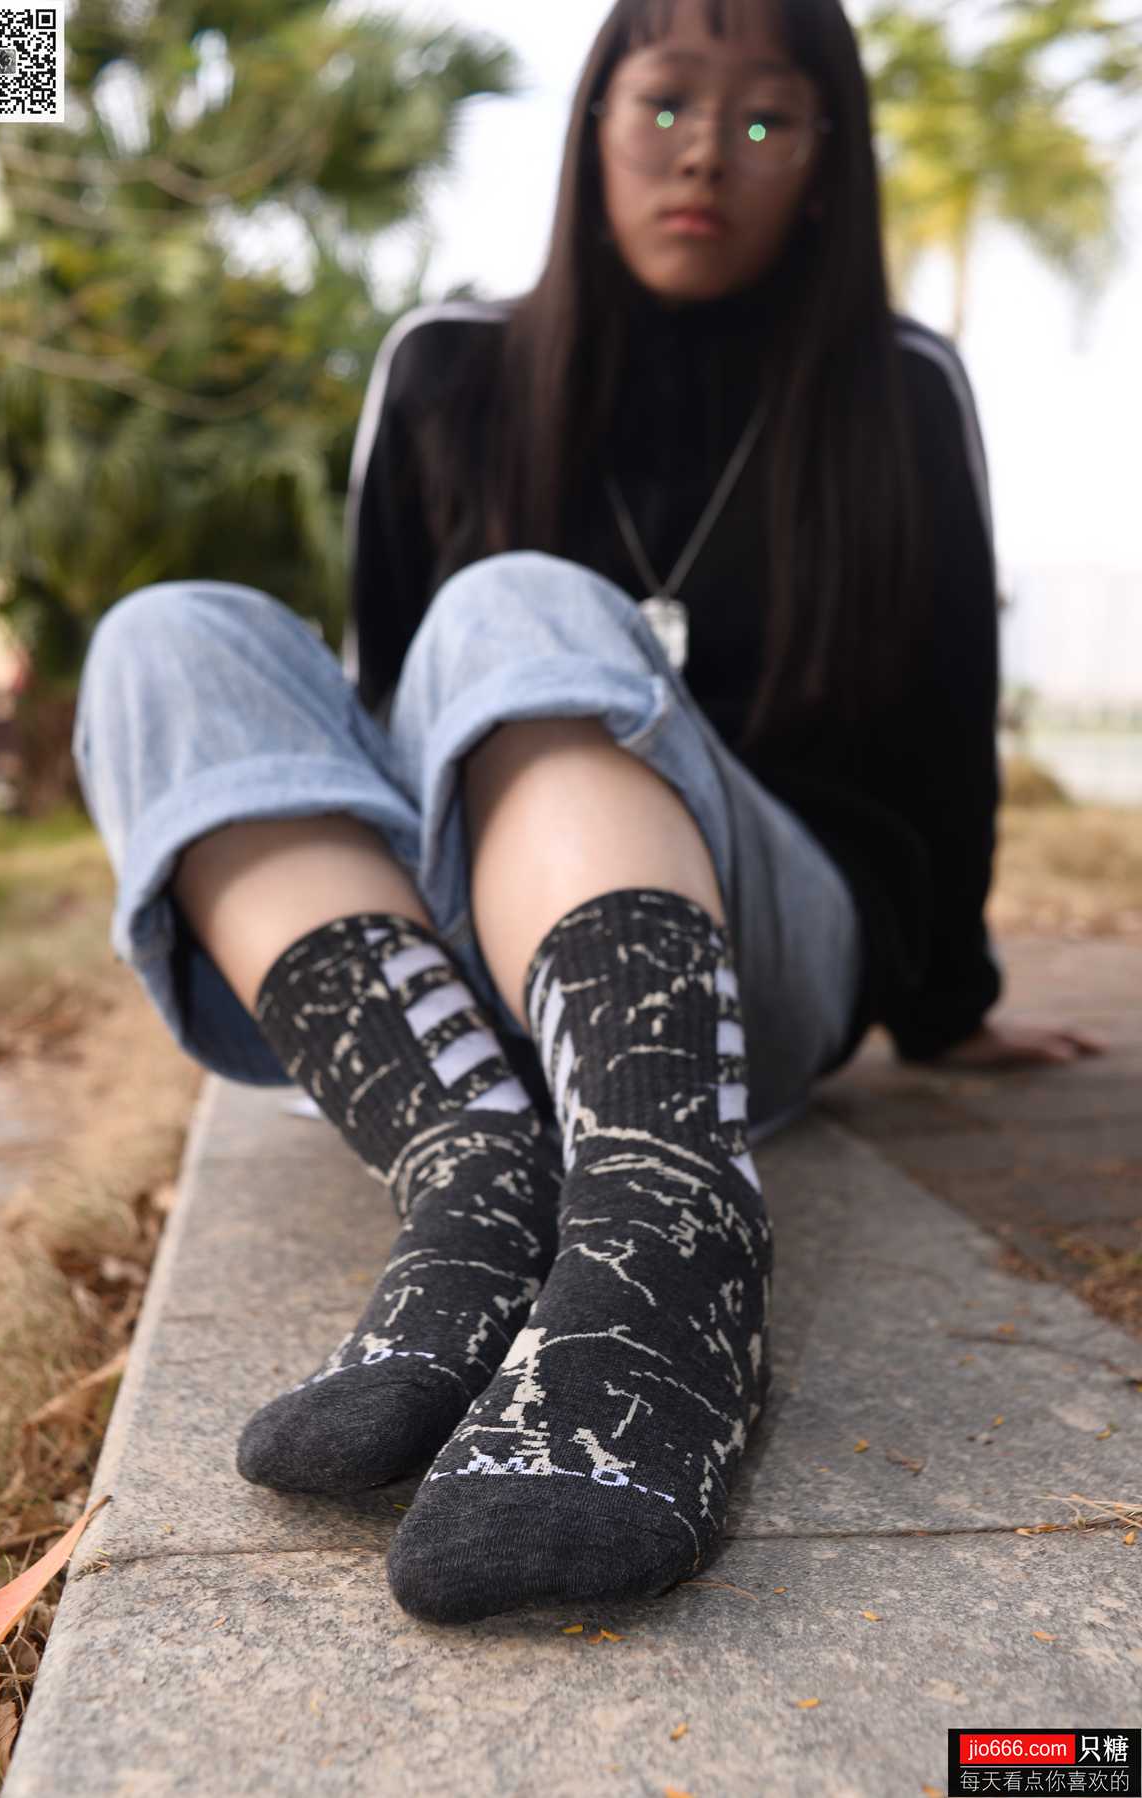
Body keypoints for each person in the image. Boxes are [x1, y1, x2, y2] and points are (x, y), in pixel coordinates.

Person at [72, 0, 1105, 1627]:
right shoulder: (445, 366)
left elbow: (941, 737)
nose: (706, 154)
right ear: (594, 125)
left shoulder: (899, 389)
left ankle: (664, 1216)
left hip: (769, 942)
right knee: (162, 642)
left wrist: (950, 1005)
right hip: (497, 947)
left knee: (514, 600)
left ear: (827, 163)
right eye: (666, 104)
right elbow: (396, 717)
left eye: (766, 119)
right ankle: (476, 1167)